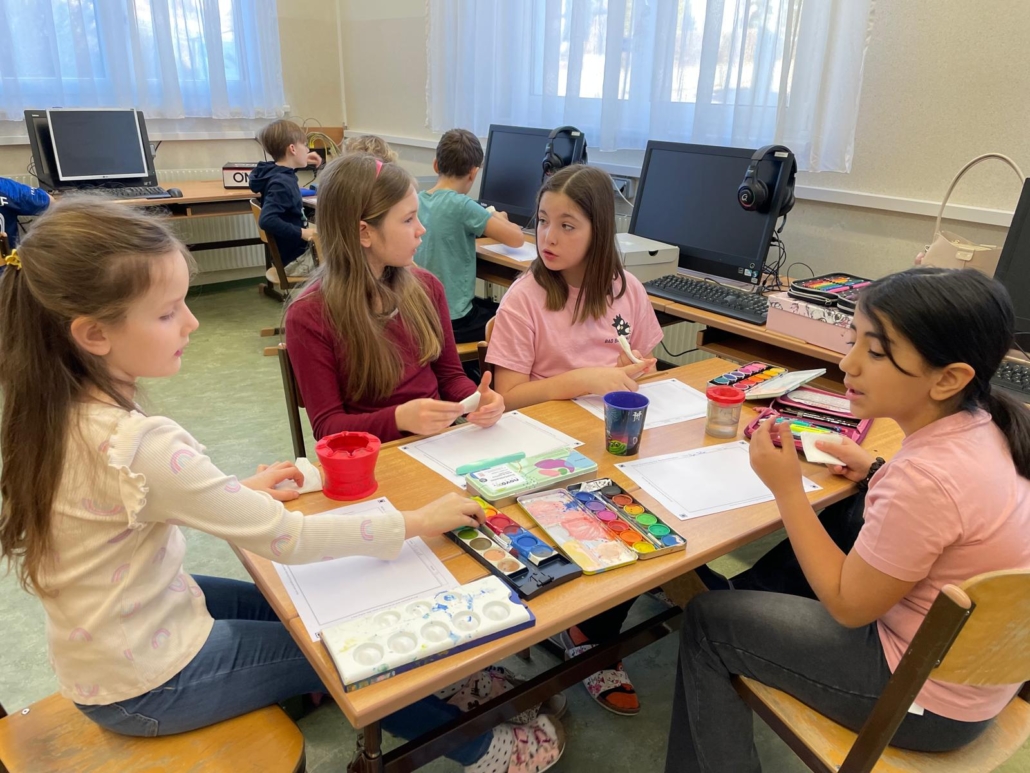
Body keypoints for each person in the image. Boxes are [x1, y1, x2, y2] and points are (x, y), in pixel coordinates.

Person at [0, 198, 563, 772]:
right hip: (145, 686)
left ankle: (445, 688)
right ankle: (480, 750)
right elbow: (289, 539)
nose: (192, 322)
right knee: (350, 656)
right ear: (93, 334)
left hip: (109, 646)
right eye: (168, 313)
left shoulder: (54, 410)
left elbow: (132, 504)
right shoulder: (141, 445)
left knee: (291, 603)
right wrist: (418, 522)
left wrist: (236, 490)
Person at [666, 267, 1030, 773]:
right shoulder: (991, 426)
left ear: (949, 378)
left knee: (709, 622)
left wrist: (787, 489)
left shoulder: (926, 478)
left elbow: (848, 606)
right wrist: (875, 471)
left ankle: (733, 613)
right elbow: (947, 519)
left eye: (875, 352)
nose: (847, 363)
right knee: (849, 513)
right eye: (852, 340)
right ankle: (750, 602)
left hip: (922, 701)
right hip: (978, 676)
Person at [487, 164, 662, 716]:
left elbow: (647, 362)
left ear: (599, 231)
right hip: (544, 450)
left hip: (608, 440)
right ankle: (590, 636)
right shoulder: (526, 296)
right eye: (543, 221)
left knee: (658, 510)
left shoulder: (626, 289)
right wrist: (585, 379)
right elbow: (508, 396)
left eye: (568, 225)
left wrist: (638, 370)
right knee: (612, 522)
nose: (549, 237)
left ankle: (618, 609)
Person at [285, 153, 505, 444]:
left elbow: (450, 377)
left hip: (438, 446)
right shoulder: (309, 315)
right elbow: (328, 428)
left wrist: (478, 399)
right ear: (364, 233)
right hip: (373, 455)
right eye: (408, 219)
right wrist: (399, 419)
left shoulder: (427, 288)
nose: (421, 229)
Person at [416, 128, 524, 347]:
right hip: (454, 322)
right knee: (514, 319)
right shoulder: (462, 205)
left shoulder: (417, 201)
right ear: (473, 173)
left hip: (420, 317)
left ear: (436, 165)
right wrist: (498, 216)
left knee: (487, 306)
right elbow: (516, 239)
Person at [249, 119, 322, 278]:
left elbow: (284, 169)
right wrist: (302, 232)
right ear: (292, 149)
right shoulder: (282, 183)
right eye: (305, 145)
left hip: (291, 256)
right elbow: (267, 220)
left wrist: (302, 159)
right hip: (296, 261)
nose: (307, 150)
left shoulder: (276, 173)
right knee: (347, 258)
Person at [0, 175, 50, 248]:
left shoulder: (7, 189)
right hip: (8, 253)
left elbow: (49, 203)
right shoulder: (7, 189)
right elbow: (53, 205)